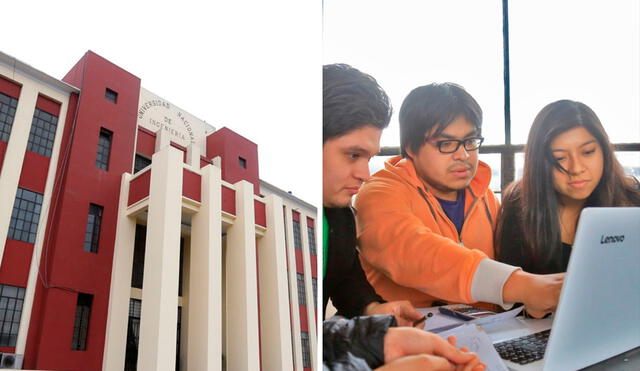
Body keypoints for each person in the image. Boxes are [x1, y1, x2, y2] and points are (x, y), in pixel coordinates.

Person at [354, 83, 564, 318]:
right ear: (411, 147)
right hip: (410, 342)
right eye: (446, 144)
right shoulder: (379, 193)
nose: (463, 155)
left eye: (470, 141)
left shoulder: (484, 195)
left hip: (489, 334)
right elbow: (417, 253)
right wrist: (523, 286)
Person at [323, 64, 484, 371]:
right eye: (353, 155)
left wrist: (375, 309)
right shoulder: (378, 193)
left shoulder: (340, 216)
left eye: (369, 158)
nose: (363, 174)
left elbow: (345, 279)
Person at [495, 100, 640, 274]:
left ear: (604, 151)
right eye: (560, 158)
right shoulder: (519, 205)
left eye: (587, 152)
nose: (576, 168)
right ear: (539, 165)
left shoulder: (632, 199)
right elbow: (513, 293)